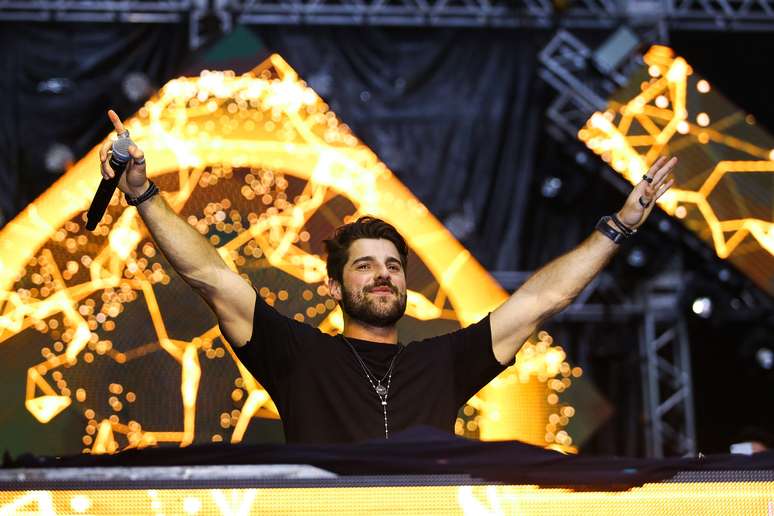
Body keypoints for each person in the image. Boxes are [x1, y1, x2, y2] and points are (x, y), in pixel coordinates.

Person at [99, 110, 676, 444]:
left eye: (393, 266)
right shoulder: (297, 354)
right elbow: (208, 275)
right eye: (366, 265)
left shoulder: (444, 361)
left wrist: (620, 225)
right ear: (334, 288)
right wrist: (144, 194)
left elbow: (543, 299)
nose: (383, 275)